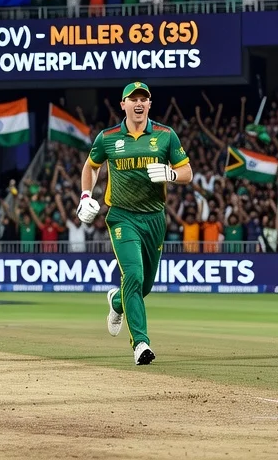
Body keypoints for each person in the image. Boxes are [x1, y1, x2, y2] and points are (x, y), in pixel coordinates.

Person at [76, 82, 193, 366]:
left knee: (145, 285)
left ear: (149, 104)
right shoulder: (108, 137)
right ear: (123, 104)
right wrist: (85, 196)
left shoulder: (165, 136)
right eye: (133, 99)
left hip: (154, 217)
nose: (139, 103)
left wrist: (171, 174)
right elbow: (91, 166)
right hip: (121, 216)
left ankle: (117, 302)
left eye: (144, 99)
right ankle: (140, 343)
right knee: (135, 276)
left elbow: (187, 172)